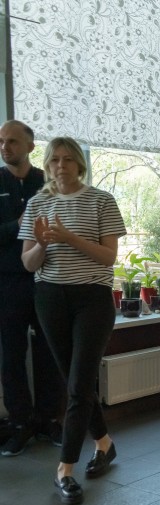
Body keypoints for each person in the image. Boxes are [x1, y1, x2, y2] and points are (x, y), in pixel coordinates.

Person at [19, 137, 126, 505]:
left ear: (80, 164)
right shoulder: (37, 204)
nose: (60, 166)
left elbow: (108, 257)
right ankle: (104, 443)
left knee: (79, 385)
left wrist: (68, 237)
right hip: (50, 297)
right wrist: (44, 244)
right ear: (47, 165)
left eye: (67, 160)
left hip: (92, 299)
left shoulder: (101, 200)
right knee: (75, 380)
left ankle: (64, 470)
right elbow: (28, 264)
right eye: (54, 160)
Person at [0, 120, 66, 456]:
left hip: (46, 279)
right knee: (11, 355)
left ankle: (48, 419)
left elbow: (64, 225)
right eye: (1, 141)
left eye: (12, 141)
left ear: (30, 145)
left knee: (49, 352)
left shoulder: (48, 183)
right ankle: (19, 423)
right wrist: (20, 223)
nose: (5, 147)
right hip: (8, 282)